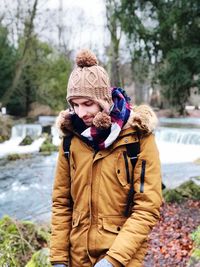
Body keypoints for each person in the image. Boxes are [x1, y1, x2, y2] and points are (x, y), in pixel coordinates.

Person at [50, 49, 162, 267]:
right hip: (77, 258)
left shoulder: (139, 138)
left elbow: (147, 207)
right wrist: (58, 258)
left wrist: (113, 260)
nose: (81, 113)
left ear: (103, 100)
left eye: (87, 103)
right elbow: (61, 203)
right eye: (75, 104)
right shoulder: (69, 140)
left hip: (123, 258)